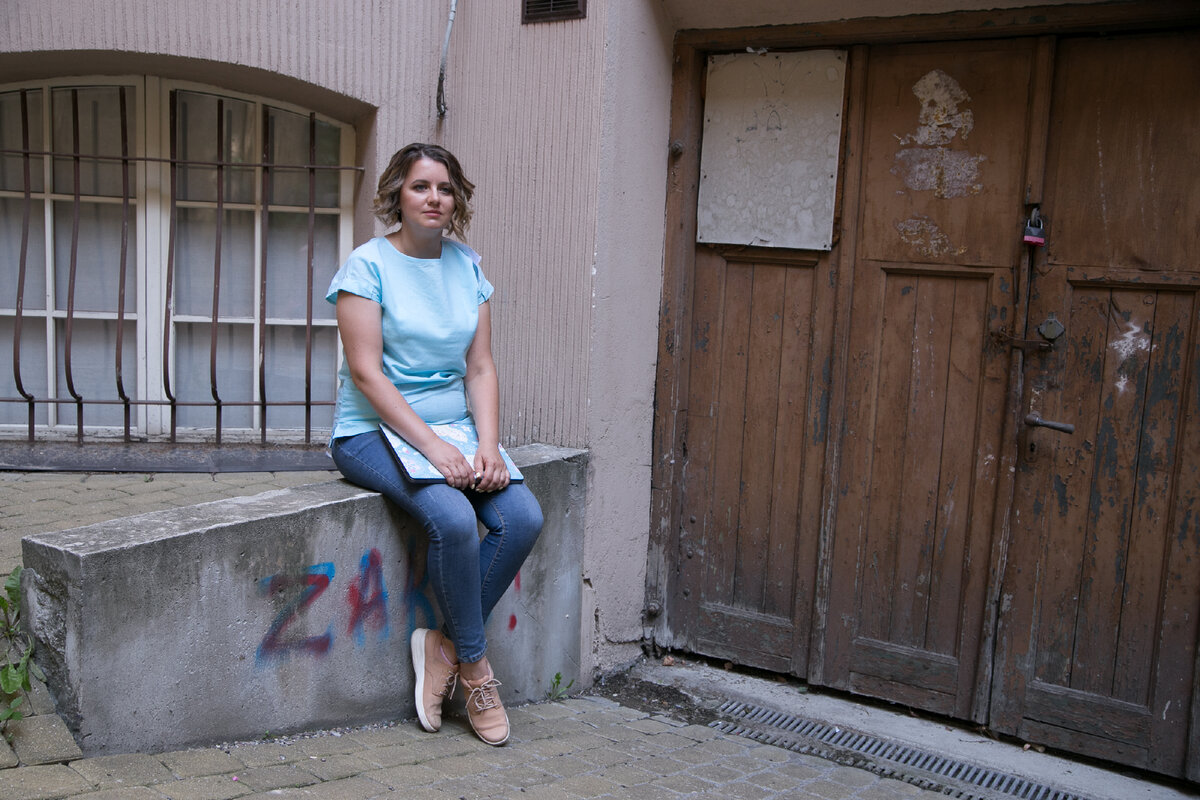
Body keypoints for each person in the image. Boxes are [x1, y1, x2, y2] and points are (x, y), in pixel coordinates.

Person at [326, 142, 543, 746]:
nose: (434, 198)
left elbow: (480, 367)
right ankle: (475, 669)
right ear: (397, 193)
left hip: (455, 431)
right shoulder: (367, 266)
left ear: (457, 200)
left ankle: (442, 645)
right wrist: (434, 449)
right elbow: (367, 374)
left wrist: (488, 446)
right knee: (451, 518)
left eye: (445, 189)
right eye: (420, 186)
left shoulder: (467, 266)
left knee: (522, 518)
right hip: (371, 431)